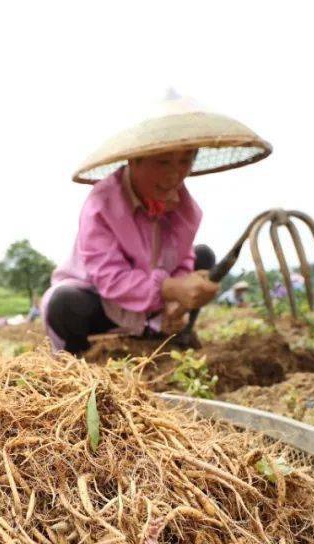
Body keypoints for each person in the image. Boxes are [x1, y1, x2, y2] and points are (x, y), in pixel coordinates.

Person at [41, 92, 272, 354]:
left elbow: (182, 261)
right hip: (101, 301)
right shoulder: (102, 204)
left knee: (203, 256)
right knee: (62, 303)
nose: (174, 174)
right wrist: (171, 288)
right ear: (134, 160)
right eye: (162, 162)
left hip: (154, 305)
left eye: (185, 161)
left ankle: (174, 335)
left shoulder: (186, 209)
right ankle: (78, 360)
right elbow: (110, 279)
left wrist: (181, 298)